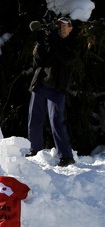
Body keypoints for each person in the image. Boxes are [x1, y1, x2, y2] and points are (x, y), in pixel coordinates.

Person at [26, 17, 80, 167]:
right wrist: (40, 43)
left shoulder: (73, 44)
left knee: (57, 122)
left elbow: (66, 59)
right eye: (59, 26)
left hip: (57, 89)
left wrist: (53, 40)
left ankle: (66, 156)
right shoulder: (50, 40)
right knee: (34, 120)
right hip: (40, 85)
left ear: (71, 28)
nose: (62, 29)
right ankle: (35, 151)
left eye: (65, 26)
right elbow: (39, 62)